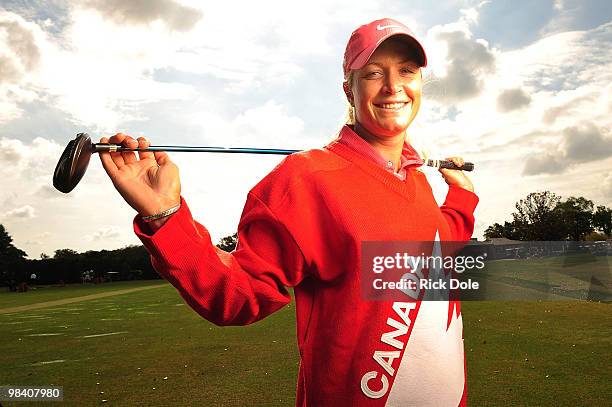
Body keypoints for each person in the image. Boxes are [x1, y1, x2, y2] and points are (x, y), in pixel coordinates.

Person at [99, 18, 478, 407]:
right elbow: (238, 294)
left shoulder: (416, 180)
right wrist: (166, 216)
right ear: (349, 89)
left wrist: (462, 197)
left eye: (407, 71)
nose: (394, 86)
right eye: (374, 73)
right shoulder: (306, 179)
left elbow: (434, 247)